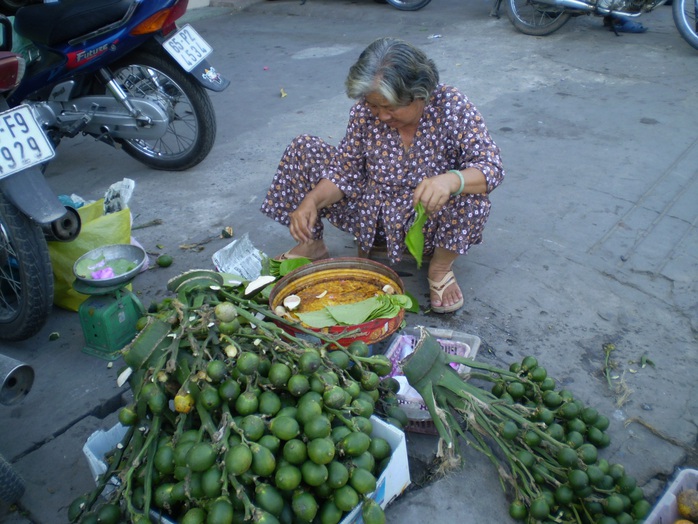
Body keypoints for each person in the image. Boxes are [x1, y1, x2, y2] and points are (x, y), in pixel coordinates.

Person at [260, 37, 505, 314]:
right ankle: (311, 245)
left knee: (473, 195)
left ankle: (439, 268)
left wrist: (450, 181)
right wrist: (311, 201)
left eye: (391, 107)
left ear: (420, 93)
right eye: (375, 106)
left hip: (428, 216)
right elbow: (345, 171)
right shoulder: (365, 113)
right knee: (303, 149)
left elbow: (492, 166)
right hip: (371, 211)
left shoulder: (451, 106)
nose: (382, 116)